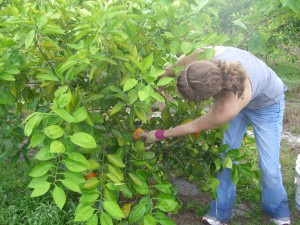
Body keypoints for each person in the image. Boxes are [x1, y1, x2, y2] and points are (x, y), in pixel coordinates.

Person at [138, 46, 291, 225]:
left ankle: (277, 209)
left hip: (267, 104)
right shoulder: (205, 54)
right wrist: (154, 92)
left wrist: (158, 134)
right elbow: (172, 68)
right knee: (226, 157)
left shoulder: (227, 108)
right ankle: (221, 212)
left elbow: (194, 125)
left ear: (208, 97)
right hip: (238, 94)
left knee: (269, 166)